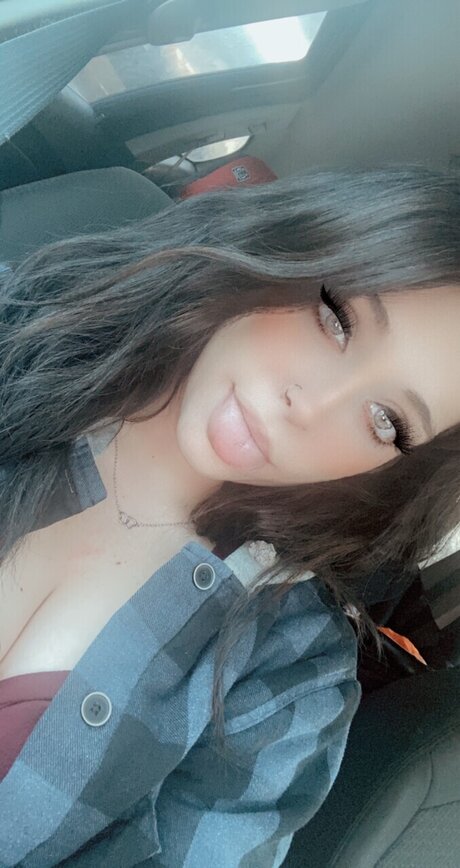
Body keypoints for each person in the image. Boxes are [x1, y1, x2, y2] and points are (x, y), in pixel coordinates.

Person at [0, 166, 459, 867]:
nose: (312, 406)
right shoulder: (23, 325)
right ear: (293, 246)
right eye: (336, 318)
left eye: (385, 421)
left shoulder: (292, 670)